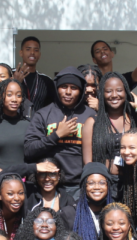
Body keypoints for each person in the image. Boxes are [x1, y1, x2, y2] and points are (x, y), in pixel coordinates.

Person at [24, 67, 96, 198]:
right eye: (63, 87)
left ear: (81, 91)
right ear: (57, 88)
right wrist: (56, 135)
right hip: (48, 183)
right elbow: (29, 150)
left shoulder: (90, 115)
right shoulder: (43, 114)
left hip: (80, 185)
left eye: (74, 88)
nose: (68, 92)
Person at [83, 72, 137, 175]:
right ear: (102, 93)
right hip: (105, 184)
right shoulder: (93, 122)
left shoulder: (135, 118)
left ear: (126, 92)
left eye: (119, 90)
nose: (114, 95)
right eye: (109, 91)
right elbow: (88, 163)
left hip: (132, 184)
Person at [89, 24, 137, 91]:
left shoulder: (122, 80)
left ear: (112, 54)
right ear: (94, 60)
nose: (102, 52)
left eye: (105, 49)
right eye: (98, 51)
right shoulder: (91, 82)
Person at [0, 78, 33, 173]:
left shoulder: (29, 125)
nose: (14, 99)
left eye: (18, 95)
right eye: (9, 95)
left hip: (24, 180)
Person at [72, 163, 113, 240]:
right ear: (83, 187)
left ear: (108, 186)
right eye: (91, 183)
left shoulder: (116, 212)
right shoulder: (70, 214)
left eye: (102, 183)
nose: (97, 187)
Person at [24, 156, 76, 224]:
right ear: (36, 176)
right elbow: (6, 175)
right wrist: (33, 167)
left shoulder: (68, 200)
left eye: (52, 174)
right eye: (42, 174)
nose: (47, 178)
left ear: (59, 176)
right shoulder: (28, 194)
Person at [12, 37, 55, 110]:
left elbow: (51, 107)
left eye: (36, 50)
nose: (32, 53)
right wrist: (15, 83)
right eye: (28, 49)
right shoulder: (11, 74)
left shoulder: (46, 81)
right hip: (14, 120)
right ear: (21, 53)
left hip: (38, 120)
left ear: (39, 55)